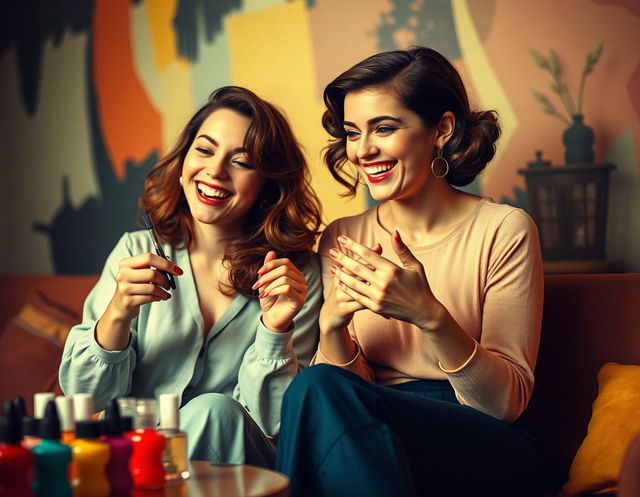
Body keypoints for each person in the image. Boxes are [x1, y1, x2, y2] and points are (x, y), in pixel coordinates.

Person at [275, 47, 545, 496]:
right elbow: (346, 395)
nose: (363, 151)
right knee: (317, 388)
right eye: (352, 133)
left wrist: (429, 314)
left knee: (318, 389)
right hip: (375, 426)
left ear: (441, 129)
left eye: (384, 128)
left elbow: (505, 404)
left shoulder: (504, 229)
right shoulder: (343, 235)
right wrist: (332, 326)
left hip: (483, 436)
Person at [60, 86, 323, 467]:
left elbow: (276, 421)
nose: (215, 170)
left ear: (268, 184)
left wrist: (274, 332)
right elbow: (84, 398)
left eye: (242, 161)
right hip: (136, 463)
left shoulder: (296, 277)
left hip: (242, 472)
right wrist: (117, 313)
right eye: (204, 150)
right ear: (183, 163)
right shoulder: (134, 250)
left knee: (216, 412)